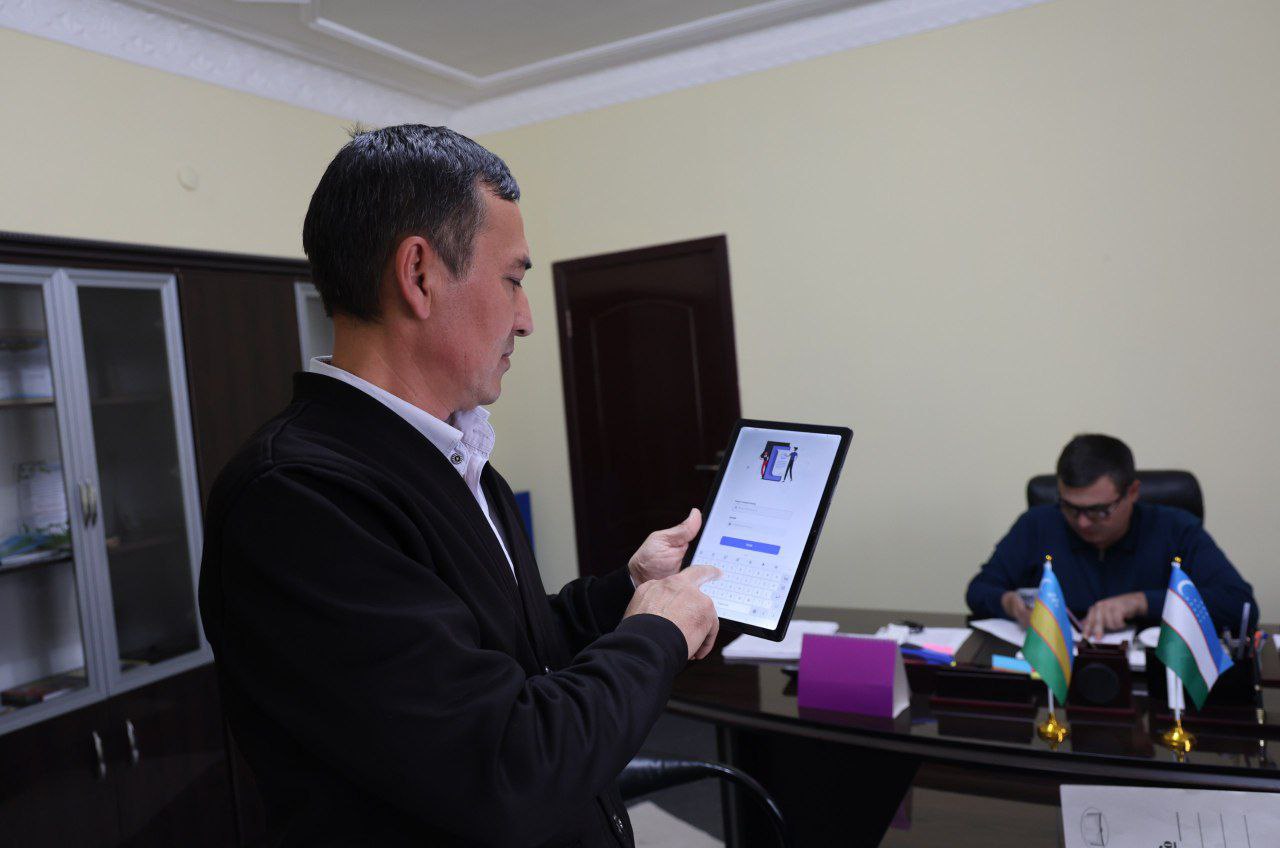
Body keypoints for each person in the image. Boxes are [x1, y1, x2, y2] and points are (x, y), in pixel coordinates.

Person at [198, 125, 721, 847]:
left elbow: (513, 651)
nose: (526, 319)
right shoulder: (299, 500)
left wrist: (625, 593)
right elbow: (507, 766)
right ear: (419, 274)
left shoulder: (459, 460)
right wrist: (656, 633)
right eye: (513, 279)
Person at [966, 434, 1256, 640]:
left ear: (1132, 492)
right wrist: (1009, 603)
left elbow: (1240, 606)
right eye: (1070, 507)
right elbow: (979, 589)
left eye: (1098, 511)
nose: (1082, 522)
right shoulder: (1037, 525)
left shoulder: (1175, 528)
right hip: (1055, 677)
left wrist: (1142, 602)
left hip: (1153, 681)